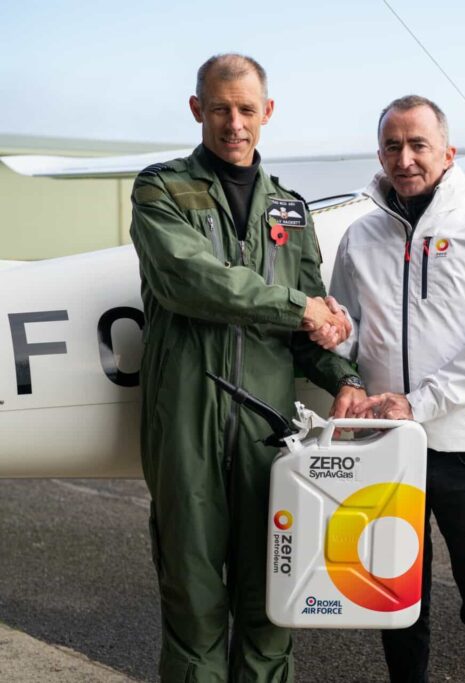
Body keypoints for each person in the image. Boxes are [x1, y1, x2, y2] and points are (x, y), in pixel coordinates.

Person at [129, 53, 366, 682]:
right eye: (219, 108)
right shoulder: (160, 189)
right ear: (196, 109)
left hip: (268, 437)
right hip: (185, 430)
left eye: (245, 109)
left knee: (271, 608)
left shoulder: (290, 209)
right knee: (194, 606)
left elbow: (306, 332)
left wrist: (344, 379)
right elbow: (191, 281)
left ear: (267, 112)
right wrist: (299, 306)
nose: (234, 123)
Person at [329, 95, 465, 682]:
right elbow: (352, 332)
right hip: (386, 447)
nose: (405, 158)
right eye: (393, 146)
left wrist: (421, 403)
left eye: (418, 144)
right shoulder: (358, 237)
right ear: (380, 154)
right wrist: (333, 335)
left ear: (448, 151)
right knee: (397, 605)